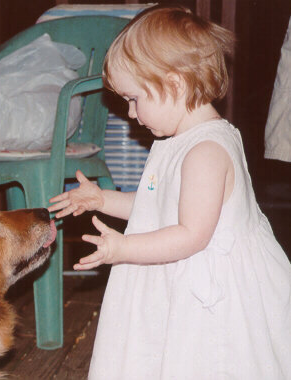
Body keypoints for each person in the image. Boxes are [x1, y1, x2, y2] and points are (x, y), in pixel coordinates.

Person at [48, 5, 291, 379]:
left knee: (206, 361)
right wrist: (102, 199)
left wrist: (123, 249)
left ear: (174, 85)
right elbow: (157, 208)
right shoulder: (174, 141)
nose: (130, 113)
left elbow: (190, 235)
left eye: (134, 99)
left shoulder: (205, 152)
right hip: (177, 272)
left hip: (208, 295)